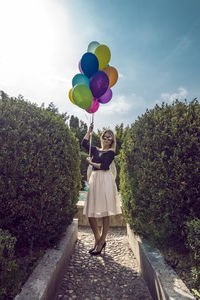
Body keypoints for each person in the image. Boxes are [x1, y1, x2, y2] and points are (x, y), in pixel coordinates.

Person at [81, 122, 122, 255]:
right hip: (95, 179)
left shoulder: (111, 152)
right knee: (90, 212)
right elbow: (84, 144)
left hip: (105, 180)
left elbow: (104, 166)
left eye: (109, 137)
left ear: (112, 141)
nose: (106, 139)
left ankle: (101, 241)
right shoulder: (96, 150)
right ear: (102, 137)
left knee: (105, 212)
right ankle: (98, 240)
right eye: (105, 136)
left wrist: (91, 162)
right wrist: (89, 131)